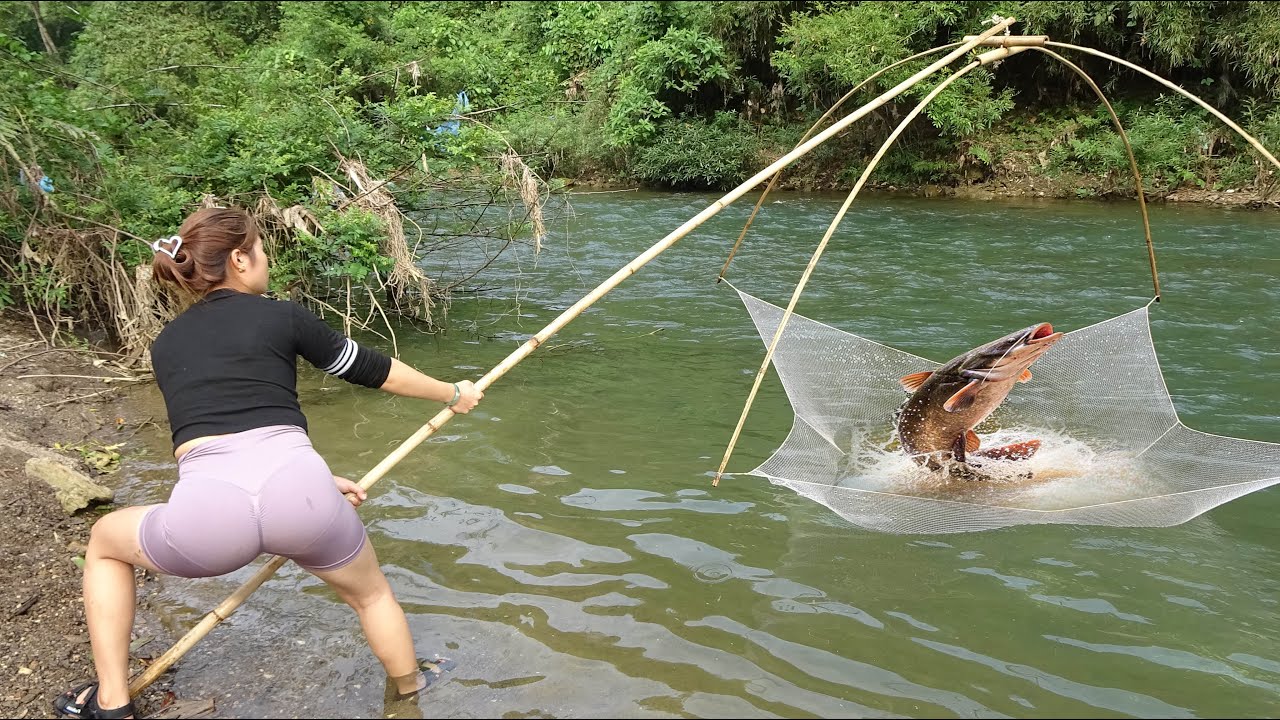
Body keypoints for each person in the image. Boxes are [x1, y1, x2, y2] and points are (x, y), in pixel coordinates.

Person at [53, 207, 482, 719]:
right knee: (371, 597)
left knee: (105, 543)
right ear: (239, 258)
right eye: (260, 250)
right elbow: (371, 370)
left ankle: (111, 701)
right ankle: (410, 691)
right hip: (299, 496)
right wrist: (451, 392)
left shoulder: (165, 344)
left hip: (211, 517)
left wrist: (317, 479)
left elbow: (219, 441)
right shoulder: (283, 316)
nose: (266, 261)